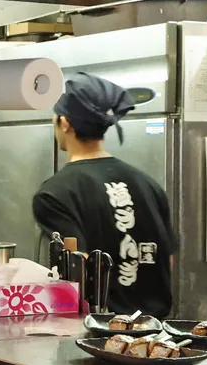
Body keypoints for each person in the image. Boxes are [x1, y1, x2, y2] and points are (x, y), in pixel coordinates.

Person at [32, 73, 175, 317]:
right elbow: (166, 259)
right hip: (155, 333)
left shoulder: (53, 194)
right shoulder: (148, 184)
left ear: (64, 123)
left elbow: (80, 270)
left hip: (97, 334)